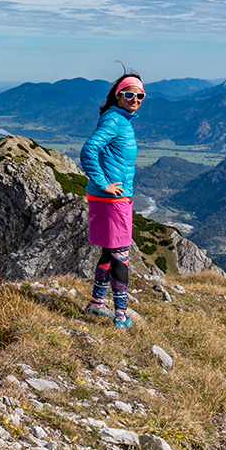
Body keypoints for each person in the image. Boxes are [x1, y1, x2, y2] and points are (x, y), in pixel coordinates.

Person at [79, 72, 145, 328]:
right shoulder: (115, 121)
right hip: (111, 200)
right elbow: (89, 150)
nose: (135, 99)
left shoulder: (119, 120)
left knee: (109, 251)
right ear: (118, 95)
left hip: (110, 199)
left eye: (140, 95)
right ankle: (120, 316)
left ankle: (96, 305)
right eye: (129, 94)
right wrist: (103, 183)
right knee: (121, 256)